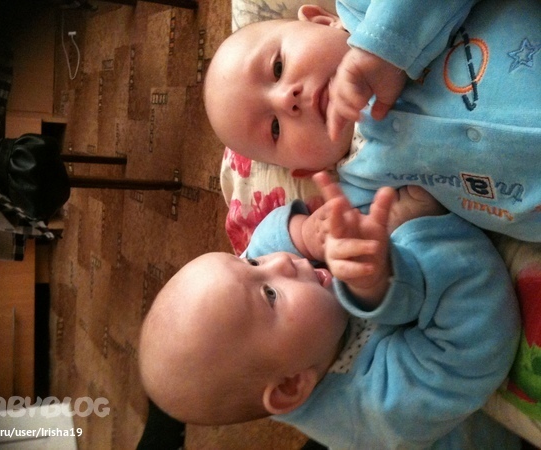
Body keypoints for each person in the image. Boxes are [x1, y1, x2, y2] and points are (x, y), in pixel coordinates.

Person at [139, 172, 521, 449]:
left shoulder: (284, 340)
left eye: (251, 265)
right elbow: (477, 334)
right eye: (270, 294)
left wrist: (305, 233)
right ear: (291, 385)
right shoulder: (379, 409)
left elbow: (262, 244)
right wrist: (392, 271)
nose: (280, 261)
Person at [204, 0, 541, 242]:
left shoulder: (365, 11)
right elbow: (403, 260)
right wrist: (386, 235)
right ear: (306, 169)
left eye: (278, 67)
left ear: (322, 21)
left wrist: (380, 48)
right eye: (275, 129)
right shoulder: (360, 185)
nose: (285, 100)